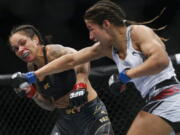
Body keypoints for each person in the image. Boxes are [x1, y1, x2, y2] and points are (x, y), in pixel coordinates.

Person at [10, 0, 180, 135]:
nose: (90, 36)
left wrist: (125, 76)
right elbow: (72, 59)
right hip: (157, 99)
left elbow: (161, 61)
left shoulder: (137, 32)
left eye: (92, 29)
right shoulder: (106, 47)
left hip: (168, 97)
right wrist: (33, 76)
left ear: (106, 24)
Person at [8, 24, 114, 135]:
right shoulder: (31, 67)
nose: (20, 49)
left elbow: (82, 57)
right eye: (15, 48)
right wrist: (32, 93)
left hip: (90, 114)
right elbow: (50, 105)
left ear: (35, 39)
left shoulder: (53, 51)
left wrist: (80, 83)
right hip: (66, 121)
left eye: (23, 43)